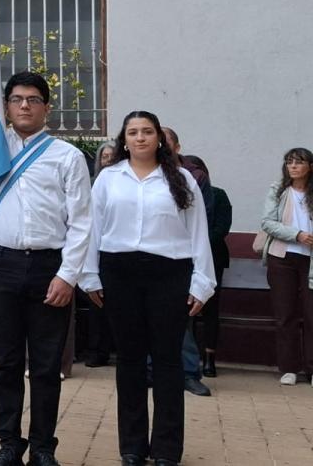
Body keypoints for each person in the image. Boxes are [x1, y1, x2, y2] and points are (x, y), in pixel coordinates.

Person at [80, 111, 216, 466]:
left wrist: (202, 282)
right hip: (119, 273)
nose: (140, 137)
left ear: (159, 138)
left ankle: (167, 450)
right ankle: (132, 447)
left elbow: (198, 232)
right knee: (129, 360)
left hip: (169, 274)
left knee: (168, 360)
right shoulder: (109, 178)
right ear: (124, 140)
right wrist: (89, 275)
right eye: (133, 132)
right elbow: (93, 228)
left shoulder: (182, 179)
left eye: (147, 131)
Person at [0, 72, 92, 466]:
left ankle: (43, 448)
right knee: (6, 363)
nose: (24, 105)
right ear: (6, 107)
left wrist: (67, 275)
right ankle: (9, 444)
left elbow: (81, 221)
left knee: (45, 366)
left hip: (48, 268)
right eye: (16, 99)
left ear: (47, 107)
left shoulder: (67, 156)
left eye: (33, 99)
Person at [160, 128, 213, 397]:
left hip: (182, 260)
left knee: (181, 321)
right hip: (145, 261)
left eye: (164, 141)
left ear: (177, 147)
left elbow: (203, 220)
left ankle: (190, 373)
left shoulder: (192, 177)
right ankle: (152, 371)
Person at [259, 147, 313, 386]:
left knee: (311, 315)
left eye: (299, 162)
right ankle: (289, 368)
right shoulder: (278, 189)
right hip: (282, 258)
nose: (293, 166)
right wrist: (297, 235)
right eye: (289, 162)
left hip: (310, 260)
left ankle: (311, 369)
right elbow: (268, 222)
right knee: (285, 315)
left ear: (310, 167)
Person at [81, 141, 118, 369]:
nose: (108, 160)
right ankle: (97, 351)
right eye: (105, 157)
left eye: (112, 156)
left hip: (117, 252)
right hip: (97, 251)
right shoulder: (92, 184)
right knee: (97, 305)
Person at [200, 185, 232, 377]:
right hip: (183, 258)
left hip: (213, 258)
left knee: (210, 308)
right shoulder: (178, 191)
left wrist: (199, 244)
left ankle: (209, 359)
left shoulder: (218, 195)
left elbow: (222, 228)